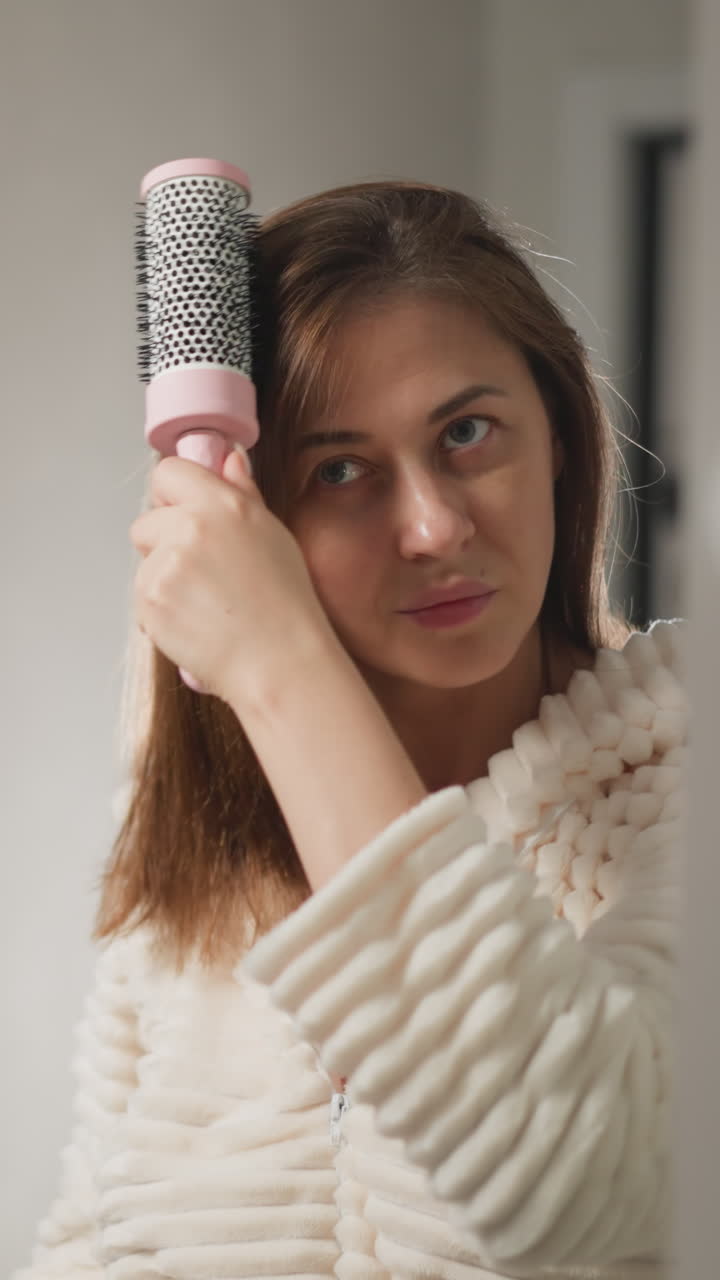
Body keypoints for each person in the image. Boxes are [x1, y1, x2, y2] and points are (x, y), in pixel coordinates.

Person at [14, 181, 684, 1280]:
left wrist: (281, 665)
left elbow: (572, 1179)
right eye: (339, 470)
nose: (433, 526)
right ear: (255, 514)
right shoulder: (189, 881)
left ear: (559, 438)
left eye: (467, 433)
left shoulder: (680, 790)